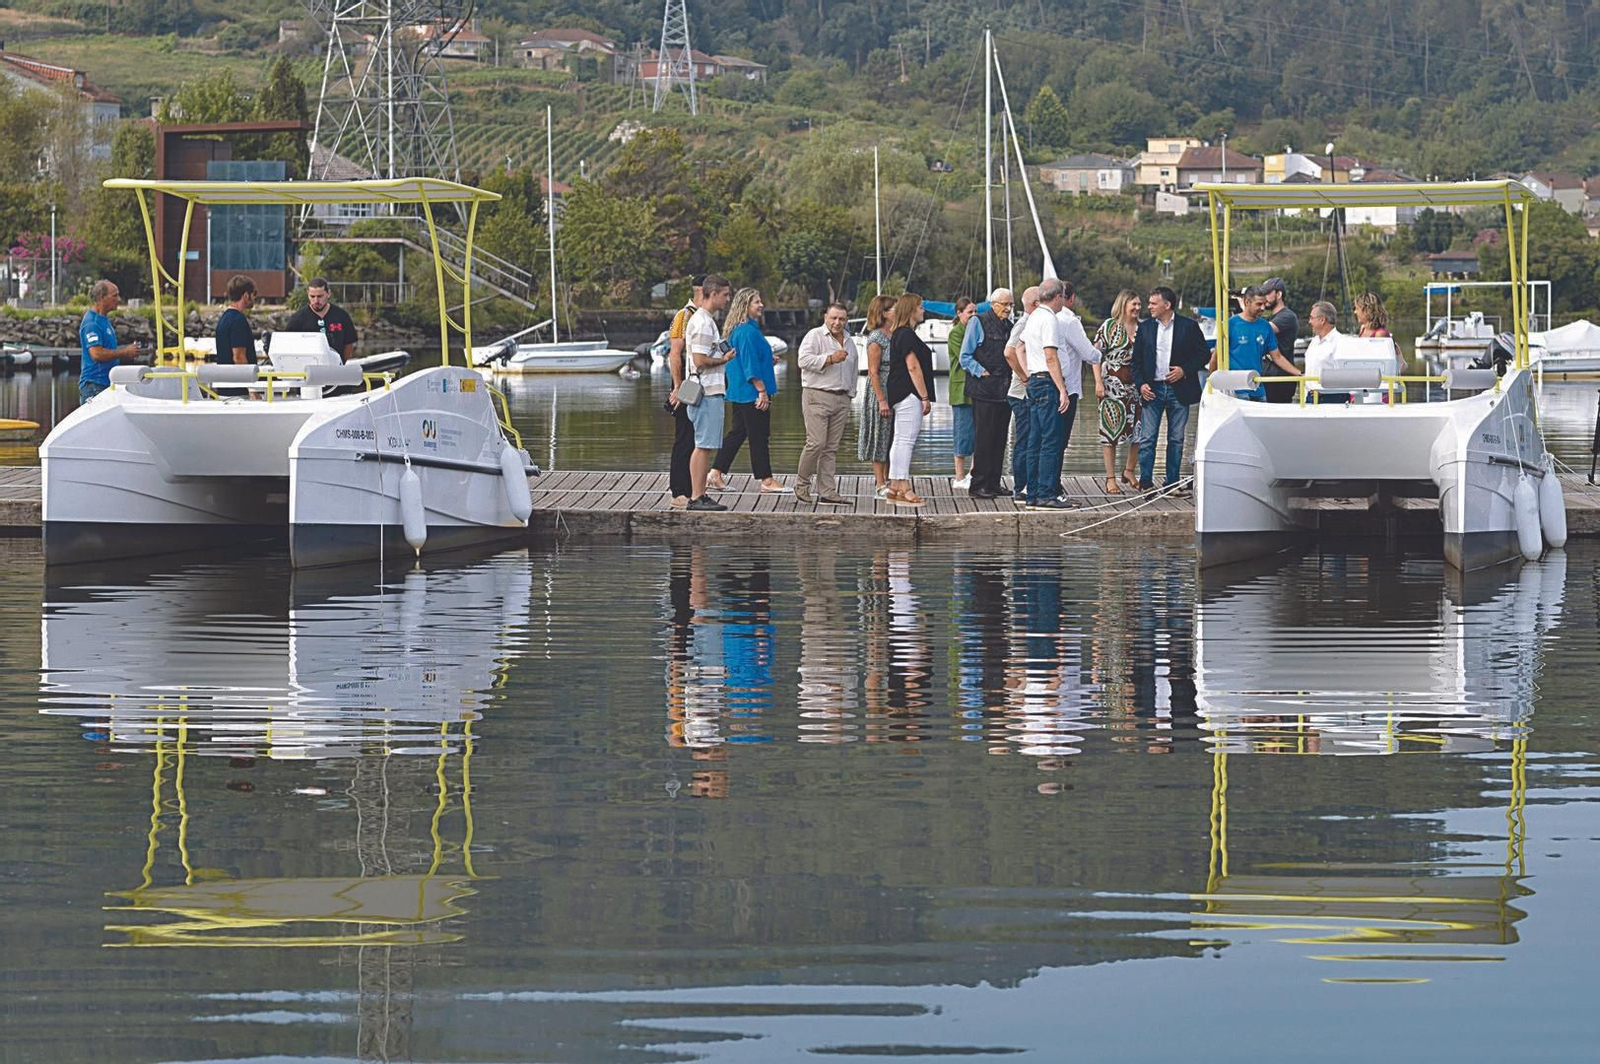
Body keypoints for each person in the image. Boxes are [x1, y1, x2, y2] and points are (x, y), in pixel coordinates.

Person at [1131, 286, 1209, 493]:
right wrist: (1141, 384)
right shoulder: (1145, 328)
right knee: (1147, 438)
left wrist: (1184, 370)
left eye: (1153, 303)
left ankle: (1172, 483)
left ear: (1167, 305)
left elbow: (1203, 355)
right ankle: (1146, 482)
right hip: (1152, 389)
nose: (1149, 307)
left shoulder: (1189, 327)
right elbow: (1136, 362)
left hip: (1179, 389)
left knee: (1176, 439)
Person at [711, 288, 789, 494]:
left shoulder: (745, 329)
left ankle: (715, 473)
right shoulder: (746, 331)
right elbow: (748, 364)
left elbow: (748, 359)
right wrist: (761, 391)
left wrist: (767, 360)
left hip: (741, 391)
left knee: (738, 433)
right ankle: (766, 479)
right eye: (757, 302)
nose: (761, 305)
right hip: (750, 392)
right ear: (745, 306)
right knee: (759, 435)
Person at [794, 302, 857, 504]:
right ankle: (802, 484)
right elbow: (803, 361)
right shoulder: (814, 336)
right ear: (825, 317)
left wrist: (851, 393)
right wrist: (829, 359)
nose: (837, 322)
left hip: (842, 397)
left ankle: (827, 491)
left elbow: (853, 368)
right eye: (833, 318)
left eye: (841, 319)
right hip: (817, 395)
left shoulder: (849, 340)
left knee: (831, 447)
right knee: (816, 443)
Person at [1019, 278, 1073, 509]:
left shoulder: (1033, 318)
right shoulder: (1049, 319)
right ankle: (1046, 494)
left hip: (1034, 381)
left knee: (1035, 441)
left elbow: (1019, 348)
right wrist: (1062, 389)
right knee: (1051, 441)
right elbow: (1051, 356)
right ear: (1058, 297)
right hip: (1048, 383)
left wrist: (1027, 374)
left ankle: (1032, 493)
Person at [957, 287, 1015, 498]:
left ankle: (993, 482)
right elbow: (965, 356)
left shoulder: (1009, 326)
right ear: (994, 304)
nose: (1008, 309)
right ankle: (978, 484)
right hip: (983, 389)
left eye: (1011, 304)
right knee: (984, 438)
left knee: (1000, 438)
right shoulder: (978, 322)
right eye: (1005, 304)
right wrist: (982, 372)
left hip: (1004, 389)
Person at [685, 274, 734, 511]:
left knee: (703, 443)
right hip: (707, 391)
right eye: (725, 295)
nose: (728, 299)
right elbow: (700, 360)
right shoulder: (703, 323)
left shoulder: (704, 320)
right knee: (703, 445)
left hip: (707, 391)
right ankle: (697, 496)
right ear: (712, 294)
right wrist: (723, 359)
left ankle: (699, 494)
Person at [1051, 280, 1102, 498]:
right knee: (1060, 440)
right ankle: (1053, 484)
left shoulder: (1045, 318)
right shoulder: (1070, 322)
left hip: (1045, 385)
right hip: (1067, 387)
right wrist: (1101, 350)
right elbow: (1089, 354)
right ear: (1070, 298)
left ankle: (1041, 483)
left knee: (1046, 439)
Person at [885, 292, 934, 507]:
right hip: (909, 392)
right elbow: (913, 367)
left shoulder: (900, 333)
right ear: (911, 309)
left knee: (900, 439)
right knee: (906, 440)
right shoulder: (906, 335)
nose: (923, 310)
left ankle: (894, 486)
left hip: (899, 392)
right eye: (920, 306)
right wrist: (924, 396)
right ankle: (904, 487)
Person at [1092, 289, 1142, 494]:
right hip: (1112, 386)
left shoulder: (1143, 328)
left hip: (1137, 387)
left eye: (1140, 305)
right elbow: (1095, 356)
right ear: (1123, 305)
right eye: (1134, 305)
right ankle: (1110, 478)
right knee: (1110, 432)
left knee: (1140, 431)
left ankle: (1129, 470)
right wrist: (1098, 383)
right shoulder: (1109, 327)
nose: (1138, 308)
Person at [661, 277, 704, 509]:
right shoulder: (684, 316)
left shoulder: (703, 316)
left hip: (698, 384)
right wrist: (677, 387)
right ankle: (678, 491)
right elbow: (675, 353)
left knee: (696, 437)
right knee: (684, 437)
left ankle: (692, 489)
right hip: (686, 384)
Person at [1213, 285, 1297, 400]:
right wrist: (1210, 384)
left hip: (1258, 388)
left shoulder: (1265, 326)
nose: (1263, 308)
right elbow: (1217, 356)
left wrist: (1298, 373)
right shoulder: (1230, 325)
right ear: (1247, 302)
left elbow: (1277, 357)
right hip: (1237, 390)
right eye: (1259, 304)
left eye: (1264, 304)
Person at [855, 294, 897, 497]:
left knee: (892, 438)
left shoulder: (895, 334)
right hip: (880, 391)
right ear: (883, 313)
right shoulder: (876, 338)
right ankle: (880, 482)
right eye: (893, 309)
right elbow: (873, 371)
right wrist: (881, 400)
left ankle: (889, 479)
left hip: (896, 390)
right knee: (880, 437)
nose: (897, 312)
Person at [77, 279, 143, 404]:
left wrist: (128, 352)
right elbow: (96, 354)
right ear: (102, 298)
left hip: (106, 384)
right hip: (94, 386)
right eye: (115, 296)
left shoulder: (104, 319)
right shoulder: (92, 323)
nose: (119, 299)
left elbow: (108, 350)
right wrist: (124, 352)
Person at [1004, 286, 1040, 502]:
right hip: (1020, 393)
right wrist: (1025, 376)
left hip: (1024, 392)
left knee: (1029, 438)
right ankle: (1021, 486)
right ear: (1035, 304)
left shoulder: (1030, 323)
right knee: (1025, 440)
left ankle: (1027, 483)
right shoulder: (1024, 323)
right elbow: (1009, 352)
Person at [284, 277, 357, 361]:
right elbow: (288, 345)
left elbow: (349, 344)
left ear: (328, 293)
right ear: (308, 294)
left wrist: (341, 363)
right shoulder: (297, 319)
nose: (316, 300)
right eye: (312, 296)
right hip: (307, 368)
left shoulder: (342, 316)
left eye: (320, 296)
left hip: (335, 368)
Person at [947, 297, 977, 489]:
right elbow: (966, 356)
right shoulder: (956, 334)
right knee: (962, 431)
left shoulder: (976, 330)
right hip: (961, 388)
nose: (974, 316)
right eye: (969, 312)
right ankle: (959, 476)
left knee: (978, 432)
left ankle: (974, 473)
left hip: (977, 388)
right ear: (959, 314)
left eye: (975, 312)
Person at [1258, 276, 1299, 404]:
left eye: (1267, 293)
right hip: (1269, 377)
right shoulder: (1271, 318)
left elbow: (1265, 330)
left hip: (1280, 379)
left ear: (1279, 294)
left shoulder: (1287, 316)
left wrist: (1248, 310)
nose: (1264, 298)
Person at [1302, 300, 1345, 403]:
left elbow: (1345, 375)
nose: (1309, 322)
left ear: (1322, 319)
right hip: (1311, 398)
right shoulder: (1314, 341)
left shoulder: (1340, 342)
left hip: (1331, 399)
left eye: (1312, 318)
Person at [215, 275, 259, 365]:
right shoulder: (238, 320)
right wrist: (249, 377)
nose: (255, 298)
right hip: (237, 378)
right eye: (254, 294)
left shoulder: (224, 318)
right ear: (246, 296)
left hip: (224, 376)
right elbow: (239, 357)